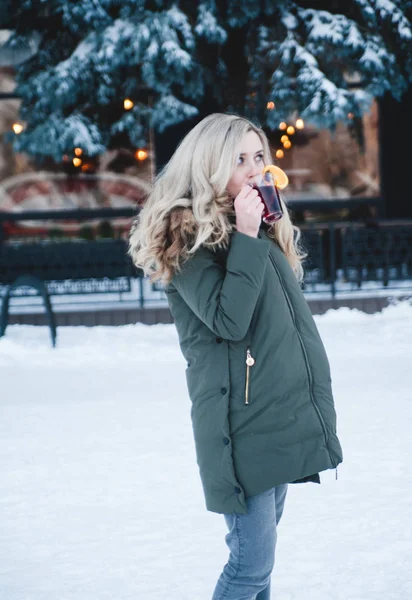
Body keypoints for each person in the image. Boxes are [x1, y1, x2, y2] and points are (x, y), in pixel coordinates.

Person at [128, 113, 343, 600]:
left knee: (259, 569)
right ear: (209, 166)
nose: (253, 169)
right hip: (237, 424)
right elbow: (229, 321)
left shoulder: (259, 226)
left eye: (258, 157)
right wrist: (246, 235)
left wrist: (256, 231)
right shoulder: (186, 237)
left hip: (275, 414)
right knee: (250, 566)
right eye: (238, 160)